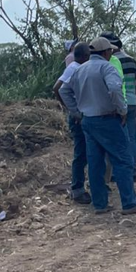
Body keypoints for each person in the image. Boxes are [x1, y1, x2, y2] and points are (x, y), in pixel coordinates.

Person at [59, 37, 136, 215]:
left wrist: (76, 112)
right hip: (108, 119)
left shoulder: (79, 69)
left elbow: (63, 90)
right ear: (106, 52)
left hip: (88, 121)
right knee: (122, 160)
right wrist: (122, 110)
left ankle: (100, 204)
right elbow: (115, 89)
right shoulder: (107, 67)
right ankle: (129, 203)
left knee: (95, 163)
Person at [104, 32, 136, 178]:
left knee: (119, 139)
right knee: (134, 137)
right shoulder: (130, 60)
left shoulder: (108, 62)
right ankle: (130, 169)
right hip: (130, 103)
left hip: (115, 104)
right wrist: (133, 95)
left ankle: (120, 171)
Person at [53, 42, 91, 204]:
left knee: (85, 152)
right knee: (81, 153)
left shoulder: (74, 67)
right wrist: (74, 111)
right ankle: (77, 189)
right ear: (84, 56)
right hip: (79, 117)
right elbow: (59, 89)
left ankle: (83, 186)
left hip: (79, 114)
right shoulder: (75, 68)